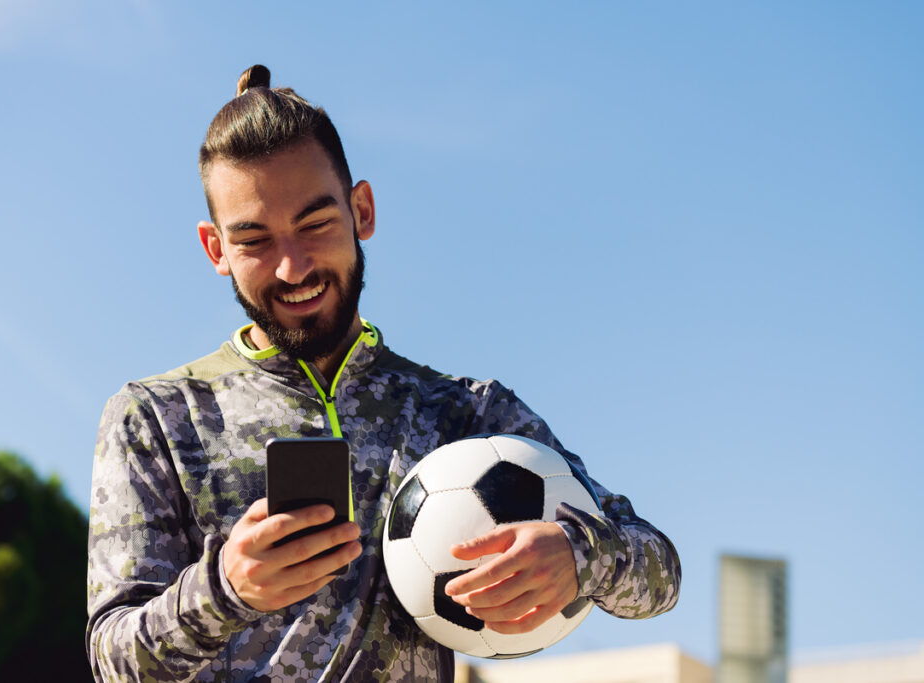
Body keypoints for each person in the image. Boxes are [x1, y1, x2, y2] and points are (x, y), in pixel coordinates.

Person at [86, 64, 681, 682]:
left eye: (315, 224)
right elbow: (113, 662)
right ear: (217, 250)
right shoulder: (155, 417)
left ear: (361, 211)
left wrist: (579, 557)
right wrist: (224, 589)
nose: (292, 267)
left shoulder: (463, 414)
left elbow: (659, 571)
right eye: (255, 240)